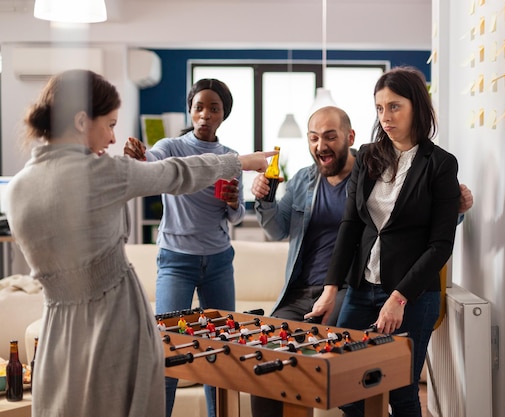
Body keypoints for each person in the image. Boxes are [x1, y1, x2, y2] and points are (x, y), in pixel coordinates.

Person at [3, 69, 274, 417]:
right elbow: (174, 172)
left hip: (59, 330)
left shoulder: (18, 188)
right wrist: (238, 162)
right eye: (111, 124)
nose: (114, 138)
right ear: (83, 121)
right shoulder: (104, 172)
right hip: (116, 321)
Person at [250, 105, 473, 417]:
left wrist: (457, 210)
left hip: (347, 287)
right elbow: (276, 229)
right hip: (300, 291)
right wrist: (264, 199)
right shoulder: (302, 180)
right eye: (313, 138)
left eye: (330, 137)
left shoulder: (372, 170)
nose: (320, 146)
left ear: (349, 137)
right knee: (265, 357)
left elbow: (415, 222)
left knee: (361, 380)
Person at [307, 66, 461, 417]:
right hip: (362, 290)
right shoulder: (366, 156)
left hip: (412, 296)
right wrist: (331, 288)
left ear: (416, 107)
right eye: (379, 108)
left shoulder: (440, 165)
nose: (386, 117)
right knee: (343, 386)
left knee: (402, 392)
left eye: (395, 107)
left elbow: (440, 245)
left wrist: (399, 298)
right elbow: (350, 225)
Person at [124, 78, 245, 417]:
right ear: (190, 111)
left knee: (221, 354)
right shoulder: (173, 147)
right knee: (168, 351)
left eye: (214, 108)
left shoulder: (231, 158)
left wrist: (235, 202)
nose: (205, 114)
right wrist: (139, 156)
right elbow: (152, 163)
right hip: (176, 261)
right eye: (199, 107)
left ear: (224, 114)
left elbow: (236, 217)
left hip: (219, 262)